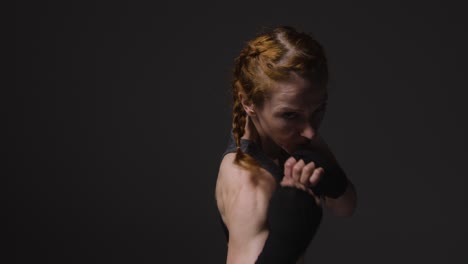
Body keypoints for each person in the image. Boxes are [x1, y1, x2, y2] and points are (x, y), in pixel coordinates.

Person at [215, 26, 357, 264]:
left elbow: (346, 206)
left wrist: (333, 179)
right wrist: (286, 243)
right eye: (290, 115)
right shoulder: (250, 185)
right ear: (248, 102)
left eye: (318, 110)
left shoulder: (294, 135)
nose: (311, 131)